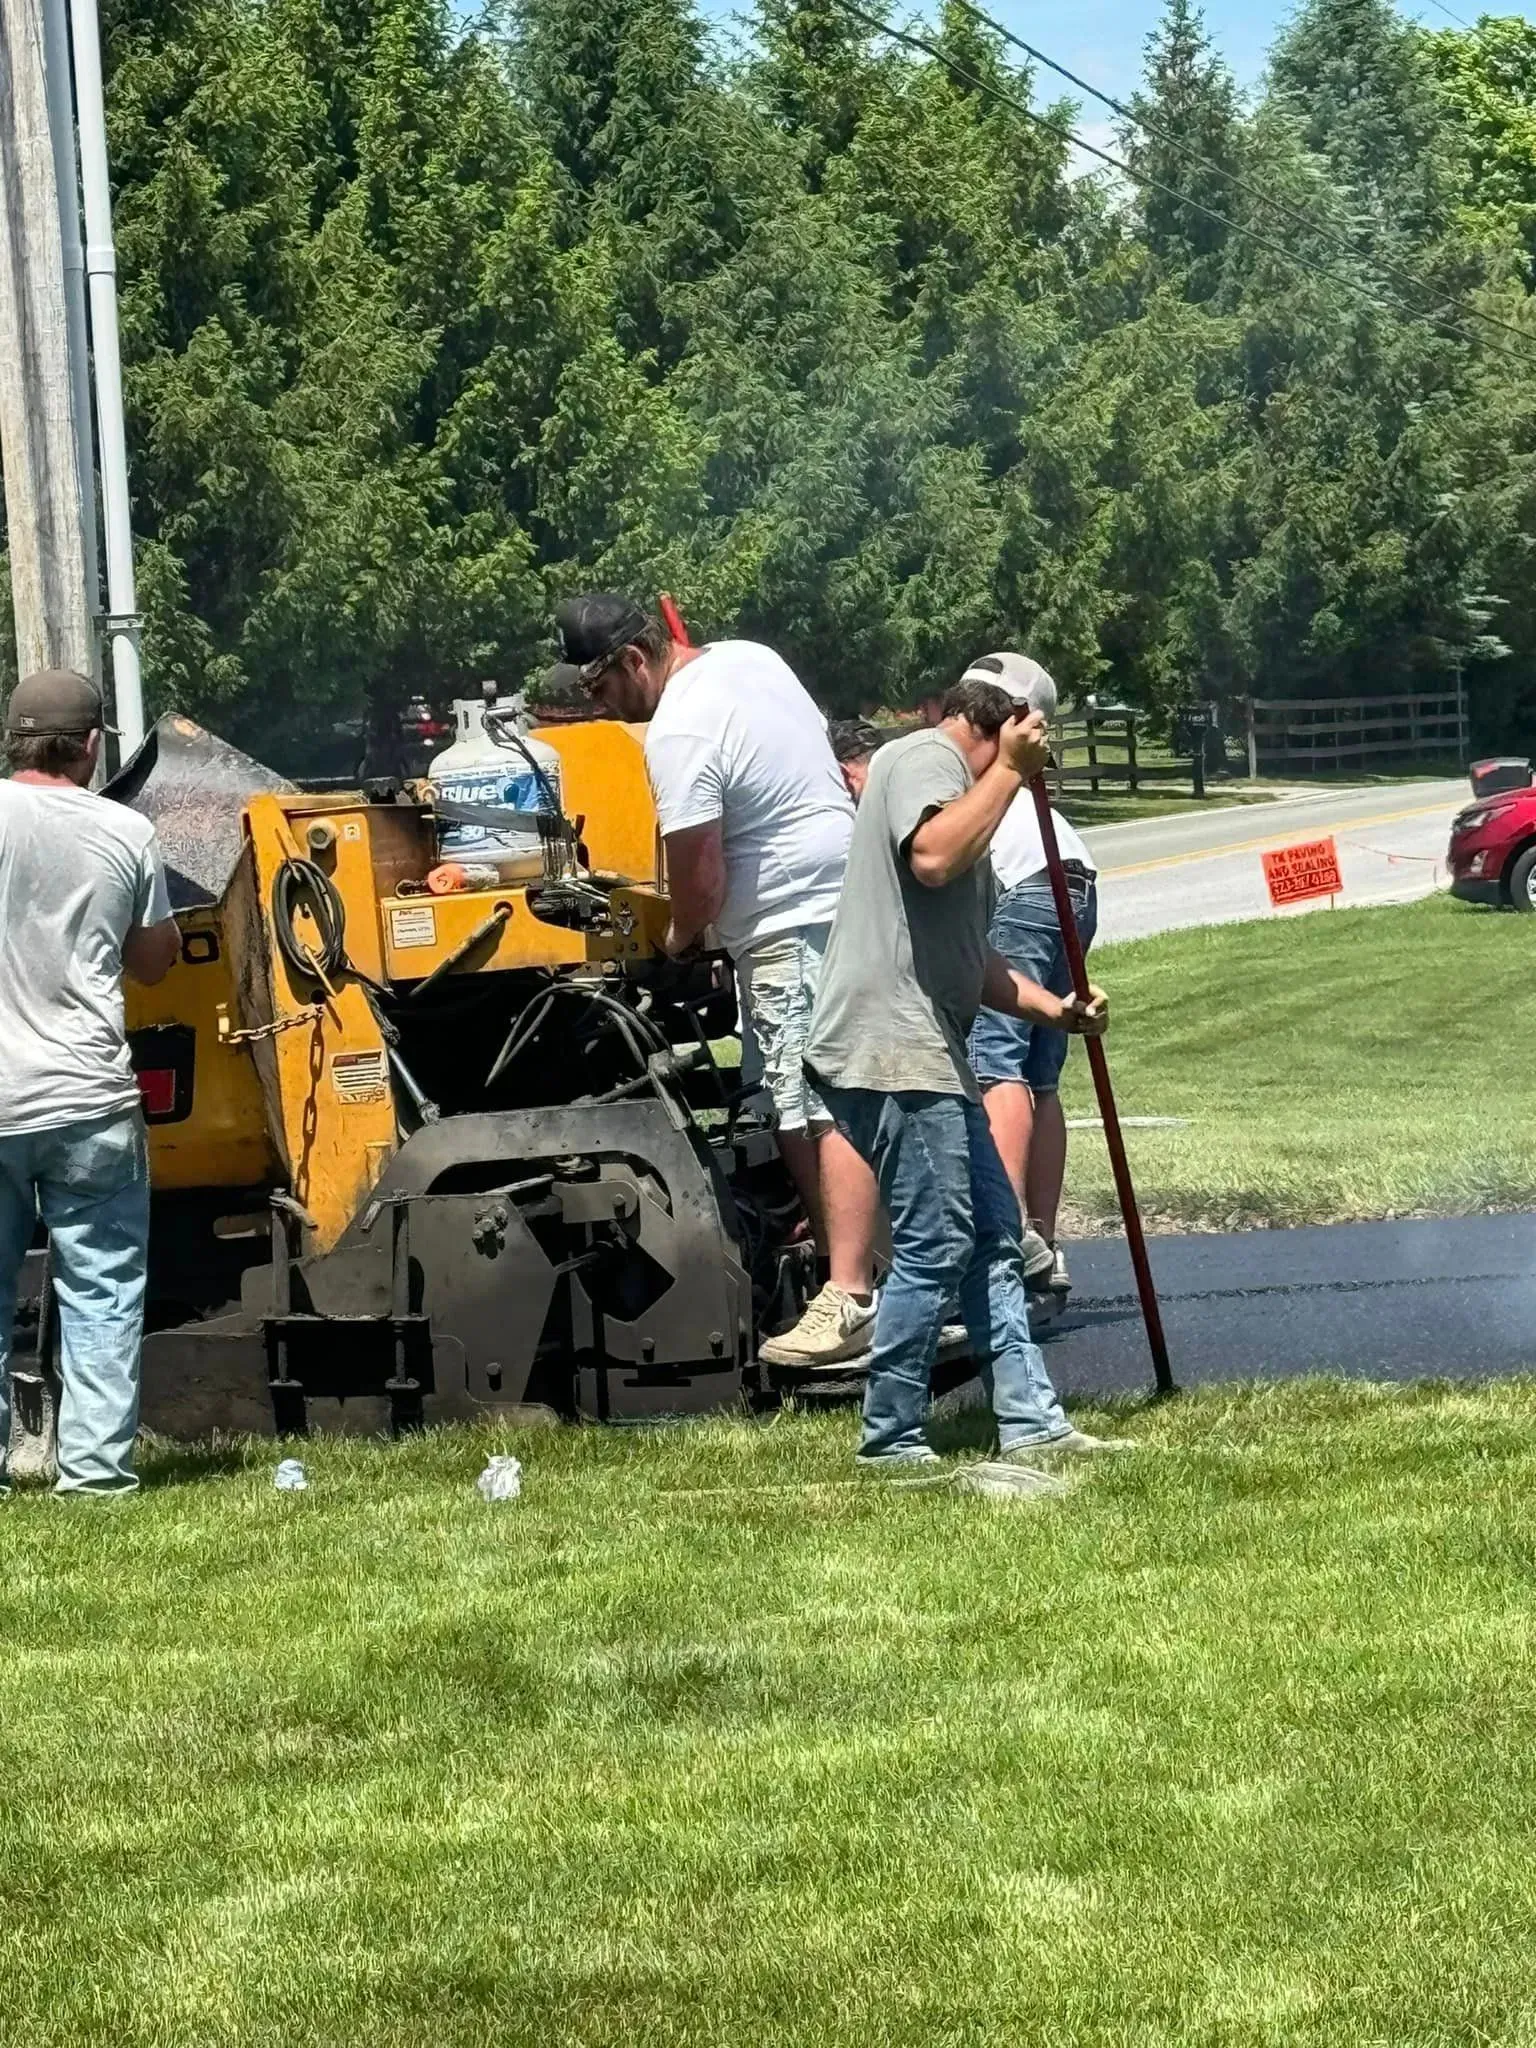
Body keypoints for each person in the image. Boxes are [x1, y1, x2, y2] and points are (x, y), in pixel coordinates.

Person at [803, 669, 1126, 1471]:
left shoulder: (965, 796)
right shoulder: (924, 759)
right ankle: (891, 1436)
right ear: (1018, 727)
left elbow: (968, 955)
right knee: (937, 1243)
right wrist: (1014, 772)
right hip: (892, 1047)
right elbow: (933, 858)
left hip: (925, 1049)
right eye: (1036, 749)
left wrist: (1055, 1010)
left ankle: (1030, 1419)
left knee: (993, 1239)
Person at [549, 595, 882, 1368]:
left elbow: (698, 881)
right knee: (836, 1099)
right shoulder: (752, 658)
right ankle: (868, 1274)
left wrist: (673, 944)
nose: (595, 704)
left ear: (635, 660)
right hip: (843, 902)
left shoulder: (679, 730)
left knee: (812, 1109)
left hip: (787, 921)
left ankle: (849, 1298)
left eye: (598, 687)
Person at [0, 671, 179, 1495]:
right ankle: (97, 1475)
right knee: (102, 1290)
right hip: (87, 1099)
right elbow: (152, 962)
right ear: (93, 744)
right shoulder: (125, 831)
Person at [964, 653, 1098, 1307]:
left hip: (1022, 884)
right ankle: (1042, 1240)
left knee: (996, 1063)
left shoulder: (968, 748)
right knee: (1039, 1076)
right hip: (1070, 878)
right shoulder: (1013, 750)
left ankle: (1010, 1238)